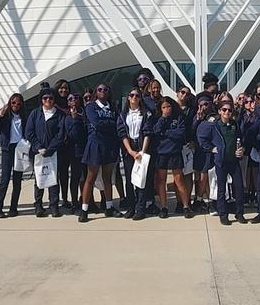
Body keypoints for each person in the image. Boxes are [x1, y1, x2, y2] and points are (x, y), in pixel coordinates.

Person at [200, 100, 247, 225]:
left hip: (233, 161)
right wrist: (212, 149)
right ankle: (223, 214)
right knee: (221, 189)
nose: (227, 112)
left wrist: (242, 150)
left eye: (230, 110)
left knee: (239, 187)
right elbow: (202, 137)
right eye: (224, 110)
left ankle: (239, 213)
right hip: (221, 161)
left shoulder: (234, 125)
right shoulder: (214, 125)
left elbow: (241, 140)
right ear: (220, 111)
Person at [80, 84, 120, 222]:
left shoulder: (113, 107)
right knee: (90, 178)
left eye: (105, 90)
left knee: (108, 178)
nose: (102, 91)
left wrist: (107, 125)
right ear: (96, 92)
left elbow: (117, 124)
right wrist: (110, 124)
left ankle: (109, 207)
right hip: (95, 145)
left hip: (110, 145)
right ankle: (84, 209)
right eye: (99, 89)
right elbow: (96, 123)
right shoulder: (91, 106)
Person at [150, 96, 194, 218]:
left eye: (168, 106)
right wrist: (163, 119)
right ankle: (164, 207)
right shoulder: (158, 118)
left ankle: (186, 206)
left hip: (175, 152)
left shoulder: (179, 117)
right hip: (161, 153)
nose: (166, 109)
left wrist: (166, 133)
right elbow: (156, 131)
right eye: (164, 107)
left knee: (179, 179)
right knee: (161, 180)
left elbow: (180, 133)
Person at [26, 87, 65, 217]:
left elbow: (60, 134)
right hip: (37, 153)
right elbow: (29, 132)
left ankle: (54, 206)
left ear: (54, 100)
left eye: (50, 98)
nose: (48, 100)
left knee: (54, 179)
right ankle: (38, 205)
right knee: (39, 179)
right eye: (45, 98)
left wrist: (50, 149)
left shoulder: (59, 115)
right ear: (41, 100)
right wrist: (38, 147)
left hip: (53, 152)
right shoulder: (35, 114)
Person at [117, 87, 153, 220]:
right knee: (129, 179)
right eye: (132, 95)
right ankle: (131, 207)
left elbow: (147, 132)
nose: (134, 98)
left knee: (141, 179)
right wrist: (130, 151)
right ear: (128, 97)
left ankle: (140, 208)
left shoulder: (146, 114)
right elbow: (122, 133)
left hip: (141, 146)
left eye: (137, 96)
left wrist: (142, 151)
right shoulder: (123, 115)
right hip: (129, 148)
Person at [0, 92, 27, 217]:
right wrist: (0, 114)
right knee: (5, 179)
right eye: (13, 103)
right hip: (8, 148)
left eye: (18, 103)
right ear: (9, 103)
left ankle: (14, 207)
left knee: (17, 180)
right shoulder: (6, 116)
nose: (16, 105)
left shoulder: (23, 116)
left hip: (20, 149)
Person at [60, 94, 87, 214]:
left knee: (85, 178)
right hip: (72, 152)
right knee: (74, 179)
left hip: (84, 151)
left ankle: (86, 200)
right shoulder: (67, 117)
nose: (74, 100)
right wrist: (75, 119)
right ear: (68, 103)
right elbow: (73, 135)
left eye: (76, 98)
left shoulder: (85, 114)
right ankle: (74, 202)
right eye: (70, 99)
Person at [192, 95, 216, 211]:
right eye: (201, 105)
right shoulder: (196, 117)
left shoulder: (215, 117)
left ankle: (202, 198)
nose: (204, 107)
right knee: (199, 176)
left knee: (205, 175)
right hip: (198, 150)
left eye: (206, 104)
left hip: (209, 151)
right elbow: (192, 131)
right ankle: (203, 199)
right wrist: (198, 119)